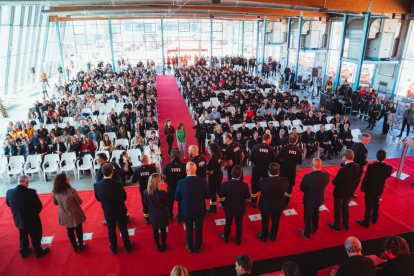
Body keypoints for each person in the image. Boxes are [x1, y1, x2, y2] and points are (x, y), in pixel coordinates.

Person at [94, 163, 134, 255]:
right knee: (123, 228)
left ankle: (114, 248)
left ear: (101, 172)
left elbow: (98, 198)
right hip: (120, 209)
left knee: (111, 229)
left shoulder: (97, 185)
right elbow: (124, 197)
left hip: (108, 211)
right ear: (112, 172)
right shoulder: (118, 184)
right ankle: (127, 247)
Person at [6, 175, 49, 259]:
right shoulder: (31, 192)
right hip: (32, 219)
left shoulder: (9, 192)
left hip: (18, 219)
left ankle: (24, 251)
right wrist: (34, 214)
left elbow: (8, 204)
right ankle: (38, 251)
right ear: (27, 182)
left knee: (23, 235)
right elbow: (39, 206)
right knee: (35, 235)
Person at [175, 162, 211, 253]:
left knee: (189, 228)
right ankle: (198, 246)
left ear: (186, 170)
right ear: (196, 170)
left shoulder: (180, 183)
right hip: (200, 209)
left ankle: (190, 247)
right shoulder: (203, 181)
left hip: (187, 210)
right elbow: (208, 196)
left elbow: (177, 197)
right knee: (199, 228)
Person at [356, 150, 392, 228]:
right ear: (385, 157)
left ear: (377, 156)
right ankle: (375, 218)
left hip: (369, 188)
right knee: (376, 203)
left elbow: (366, 178)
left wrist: (362, 187)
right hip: (379, 188)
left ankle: (366, 221)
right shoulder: (389, 168)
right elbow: (387, 176)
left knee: (368, 205)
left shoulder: (371, 166)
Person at [52, 173, 86, 252]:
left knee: (69, 231)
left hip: (64, 214)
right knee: (79, 230)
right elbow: (79, 202)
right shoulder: (71, 191)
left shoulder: (55, 192)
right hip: (75, 213)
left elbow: (55, 203)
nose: (69, 180)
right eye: (67, 178)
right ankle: (81, 245)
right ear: (63, 181)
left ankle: (74, 246)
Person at [328, 150, 360, 232]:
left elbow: (335, 181)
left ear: (345, 158)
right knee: (346, 208)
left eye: (343, 157)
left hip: (339, 192)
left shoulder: (342, 170)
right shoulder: (357, 166)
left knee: (338, 209)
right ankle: (345, 224)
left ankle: (336, 225)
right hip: (348, 191)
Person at [299, 158, 330, 240]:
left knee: (308, 217)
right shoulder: (326, 175)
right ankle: (315, 228)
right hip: (319, 199)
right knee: (316, 213)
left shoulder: (307, 177)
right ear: (321, 165)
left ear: (312, 165)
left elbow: (302, 188)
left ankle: (306, 233)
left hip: (309, 200)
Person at [256, 163, 288, 242]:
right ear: (278, 171)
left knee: (265, 221)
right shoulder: (284, 181)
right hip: (278, 205)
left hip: (265, 205)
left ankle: (264, 236)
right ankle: (273, 236)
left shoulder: (263, 181)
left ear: (268, 172)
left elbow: (257, 188)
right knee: (276, 221)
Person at [219, 165, 250, 245]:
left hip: (229, 207)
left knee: (228, 223)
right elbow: (248, 196)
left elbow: (221, 195)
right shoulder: (244, 185)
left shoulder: (225, 184)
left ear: (231, 174)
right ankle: (238, 239)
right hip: (240, 208)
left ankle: (226, 237)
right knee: (239, 224)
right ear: (240, 175)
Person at [248, 133, 277, 208]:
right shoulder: (271, 149)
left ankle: (253, 201)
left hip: (256, 169)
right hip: (266, 170)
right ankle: (265, 200)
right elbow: (273, 162)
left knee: (254, 185)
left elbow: (251, 159)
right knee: (266, 185)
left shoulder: (255, 147)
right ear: (268, 139)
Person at [144, 173, 169, 252]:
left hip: (152, 213)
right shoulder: (162, 192)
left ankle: (158, 245)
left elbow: (146, 203)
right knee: (163, 230)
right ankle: (164, 244)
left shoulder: (146, 192)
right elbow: (167, 204)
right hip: (162, 213)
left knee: (155, 230)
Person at [275, 133, 302, 207]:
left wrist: (282, 163)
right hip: (292, 171)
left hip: (283, 170)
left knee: (281, 185)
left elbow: (277, 159)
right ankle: (286, 202)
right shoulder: (298, 150)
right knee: (289, 187)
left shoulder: (284, 148)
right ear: (296, 141)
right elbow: (300, 162)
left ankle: (279, 199)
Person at [163, 148, 187, 223]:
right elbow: (186, 177)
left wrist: (168, 182)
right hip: (181, 188)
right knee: (181, 203)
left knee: (170, 203)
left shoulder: (167, 166)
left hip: (171, 187)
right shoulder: (184, 166)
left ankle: (170, 216)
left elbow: (164, 178)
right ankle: (179, 218)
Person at [132, 155, 157, 224]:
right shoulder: (152, 169)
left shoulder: (137, 170)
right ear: (147, 160)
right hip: (152, 188)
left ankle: (147, 218)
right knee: (153, 202)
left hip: (143, 189)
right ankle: (154, 215)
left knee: (145, 203)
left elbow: (133, 181)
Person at [350, 133, 371, 198]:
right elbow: (363, 162)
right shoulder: (364, 150)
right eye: (368, 140)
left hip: (351, 165)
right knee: (355, 181)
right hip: (358, 168)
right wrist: (368, 161)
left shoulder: (355, 144)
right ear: (364, 139)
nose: (369, 141)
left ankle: (349, 193)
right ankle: (350, 194)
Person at [206, 143, 224, 212]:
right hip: (219, 175)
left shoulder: (212, 160)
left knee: (212, 192)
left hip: (213, 178)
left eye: (209, 148)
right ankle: (223, 203)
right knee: (219, 190)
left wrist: (204, 172)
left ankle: (213, 207)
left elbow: (211, 172)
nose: (208, 150)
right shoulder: (219, 156)